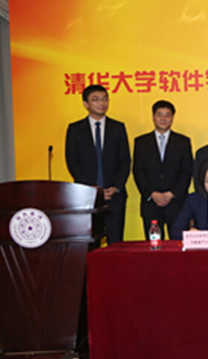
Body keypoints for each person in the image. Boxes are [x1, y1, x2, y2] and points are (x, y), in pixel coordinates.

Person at [65, 84, 131, 244]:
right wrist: (92, 188)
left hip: (114, 195)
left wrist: (115, 186)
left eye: (104, 99)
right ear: (85, 103)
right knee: (90, 242)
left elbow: (124, 160)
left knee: (115, 242)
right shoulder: (75, 129)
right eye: (95, 99)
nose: (101, 103)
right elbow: (72, 161)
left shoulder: (118, 128)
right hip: (87, 196)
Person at [132, 100, 193, 240]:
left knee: (178, 245)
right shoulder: (141, 142)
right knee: (154, 246)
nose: (163, 119)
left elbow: (187, 171)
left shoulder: (183, 142)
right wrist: (152, 193)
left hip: (176, 203)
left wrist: (172, 193)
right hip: (151, 203)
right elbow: (138, 171)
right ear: (153, 117)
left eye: (167, 115)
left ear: (172, 118)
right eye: (160, 115)